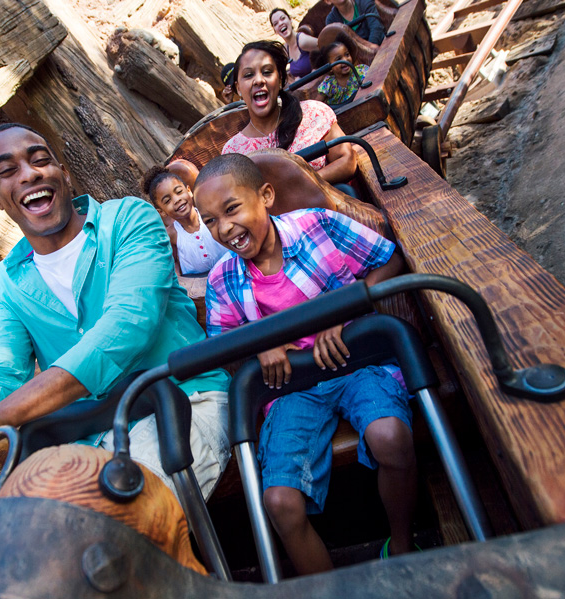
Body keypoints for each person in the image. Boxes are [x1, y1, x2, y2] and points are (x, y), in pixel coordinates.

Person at [0, 123, 232, 501]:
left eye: (39, 161)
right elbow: (0, 369)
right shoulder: (11, 279)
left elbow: (126, 327)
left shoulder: (129, 220)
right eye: (8, 170)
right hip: (87, 436)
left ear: (64, 175)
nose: (29, 174)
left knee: (105, 523)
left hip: (183, 402)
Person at [194, 153, 415, 575]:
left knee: (390, 437)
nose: (224, 229)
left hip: (356, 362)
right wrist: (259, 343)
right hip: (293, 389)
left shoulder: (319, 226)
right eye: (210, 222)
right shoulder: (222, 279)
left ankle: (402, 550)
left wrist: (341, 310)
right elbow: (222, 348)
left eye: (232, 209)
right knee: (279, 502)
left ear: (266, 196)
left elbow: (390, 259)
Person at [221, 40, 357, 186]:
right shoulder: (233, 152)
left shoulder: (314, 113)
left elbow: (347, 160)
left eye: (267, 72)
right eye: (248, 75)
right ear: (239, 88)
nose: (259, 80)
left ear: (279, 80)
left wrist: (303, 183)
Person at [141, 165, 229, 275]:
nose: (177, 200)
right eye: (167, 201)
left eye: (179, 192)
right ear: (161, 212)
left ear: (189, 191)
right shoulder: (171, 235)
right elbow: (173, 265)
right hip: (200, 288)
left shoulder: (211, 215)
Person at [315, 34, 370, 106]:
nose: (345, 60)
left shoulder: (360, 71)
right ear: (330, 68)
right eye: (338, 59)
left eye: (347, 54)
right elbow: (316, 104)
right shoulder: (329, 84)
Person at [269, 8, 318, 81]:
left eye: (282, 18)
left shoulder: (302, 41)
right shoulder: (286, 49)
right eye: (276, 23)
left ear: (290, 20)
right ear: (275, 30)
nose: (280, 23)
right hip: (306, 90)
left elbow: (326, 48)